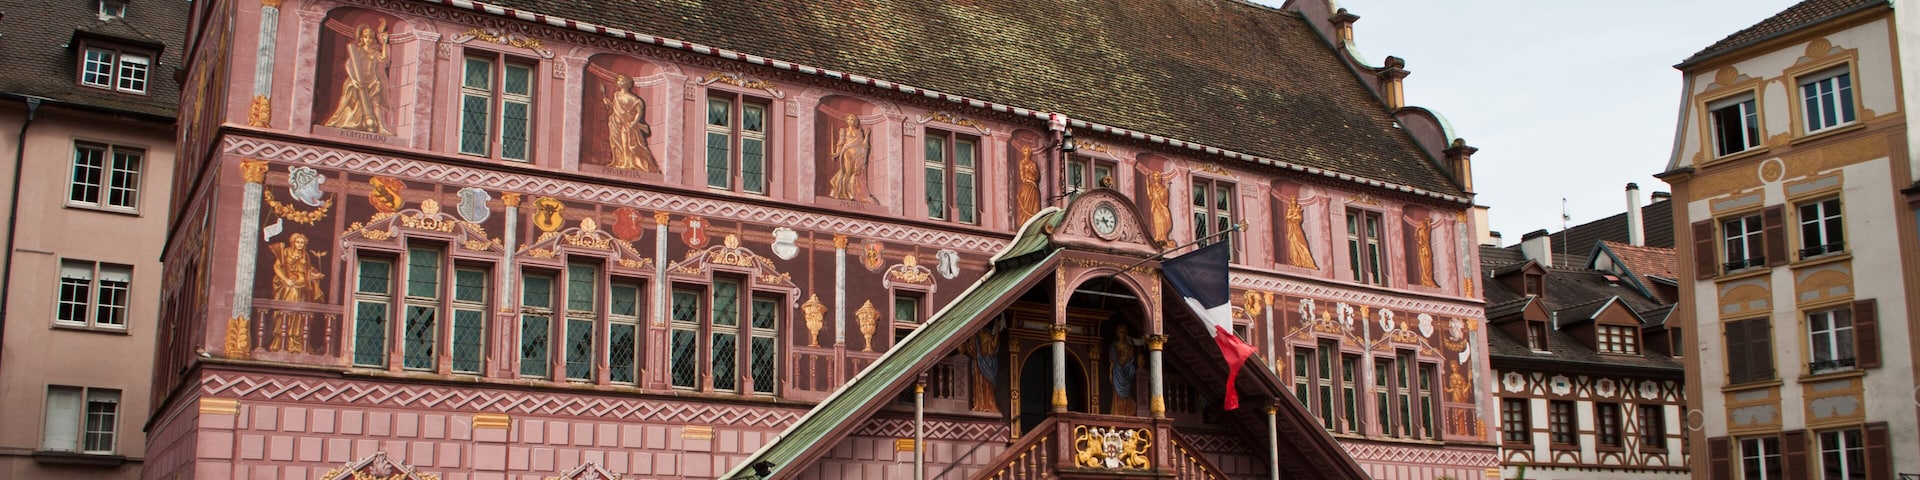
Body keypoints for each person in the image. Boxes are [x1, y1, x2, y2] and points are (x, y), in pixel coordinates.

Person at [322, 21, 394, 136]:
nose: (368, 40)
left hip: (373, 81)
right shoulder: (358, 51)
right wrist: (354, 80)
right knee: (349, 102)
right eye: (366, 37)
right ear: (362, 38)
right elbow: (349, 65)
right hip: (358, 81)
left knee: (375, 104)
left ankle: (381, 127)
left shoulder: (375, 53)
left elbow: (384, 58)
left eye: (371, 38)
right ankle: (340, 121)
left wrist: (385, 43)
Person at [602, 74, 657, 172]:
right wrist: (608, 103)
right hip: (616, 123)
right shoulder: (616, 95)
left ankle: (628, 162)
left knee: (627, 143)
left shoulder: (634, 99)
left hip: (628, 125)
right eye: (618, 80)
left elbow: (638, 112)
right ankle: (620, 161)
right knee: (616, 143)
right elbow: (615, 108)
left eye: (622, 81)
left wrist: (633, 123)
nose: (620, 82)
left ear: (628, 84)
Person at [270, 233, 325, 303]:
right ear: (293, 242)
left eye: (302, 243)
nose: (300, 244)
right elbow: (276, 266)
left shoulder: (305, 255)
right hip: (289, 282)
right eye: (297, 242)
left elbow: (307, 270)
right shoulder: (286, 252)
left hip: (303, 285)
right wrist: (286, 280)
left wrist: (315, 275)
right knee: (293, 293)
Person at [827, 114, 870, 201]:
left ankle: (852, 191)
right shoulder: (844, 130)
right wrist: (837, 153)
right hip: (847, 153)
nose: (850, 121)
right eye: (849, 119)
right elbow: (841, 143)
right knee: (847, 172)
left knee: (855, 173)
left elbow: (864, 145)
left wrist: (867, 135)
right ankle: (842, 192)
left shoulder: (859, 132)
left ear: (855, 121)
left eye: (852, 119)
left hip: (858, 154)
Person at [1015, 144, 1042, 222]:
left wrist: (1032, 170)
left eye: (1028, 151)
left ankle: (1034, 222)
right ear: (1023, 152)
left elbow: (1037, 176)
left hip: (1034, 188)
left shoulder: (1033, 164)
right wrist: (1029, 180)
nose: (1027, 153)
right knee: (1025, 203)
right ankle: (1024, 221)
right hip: (1027, 187)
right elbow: (1022, 177)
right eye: (1025, 151)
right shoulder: (1022, 163)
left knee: (1035, 206)